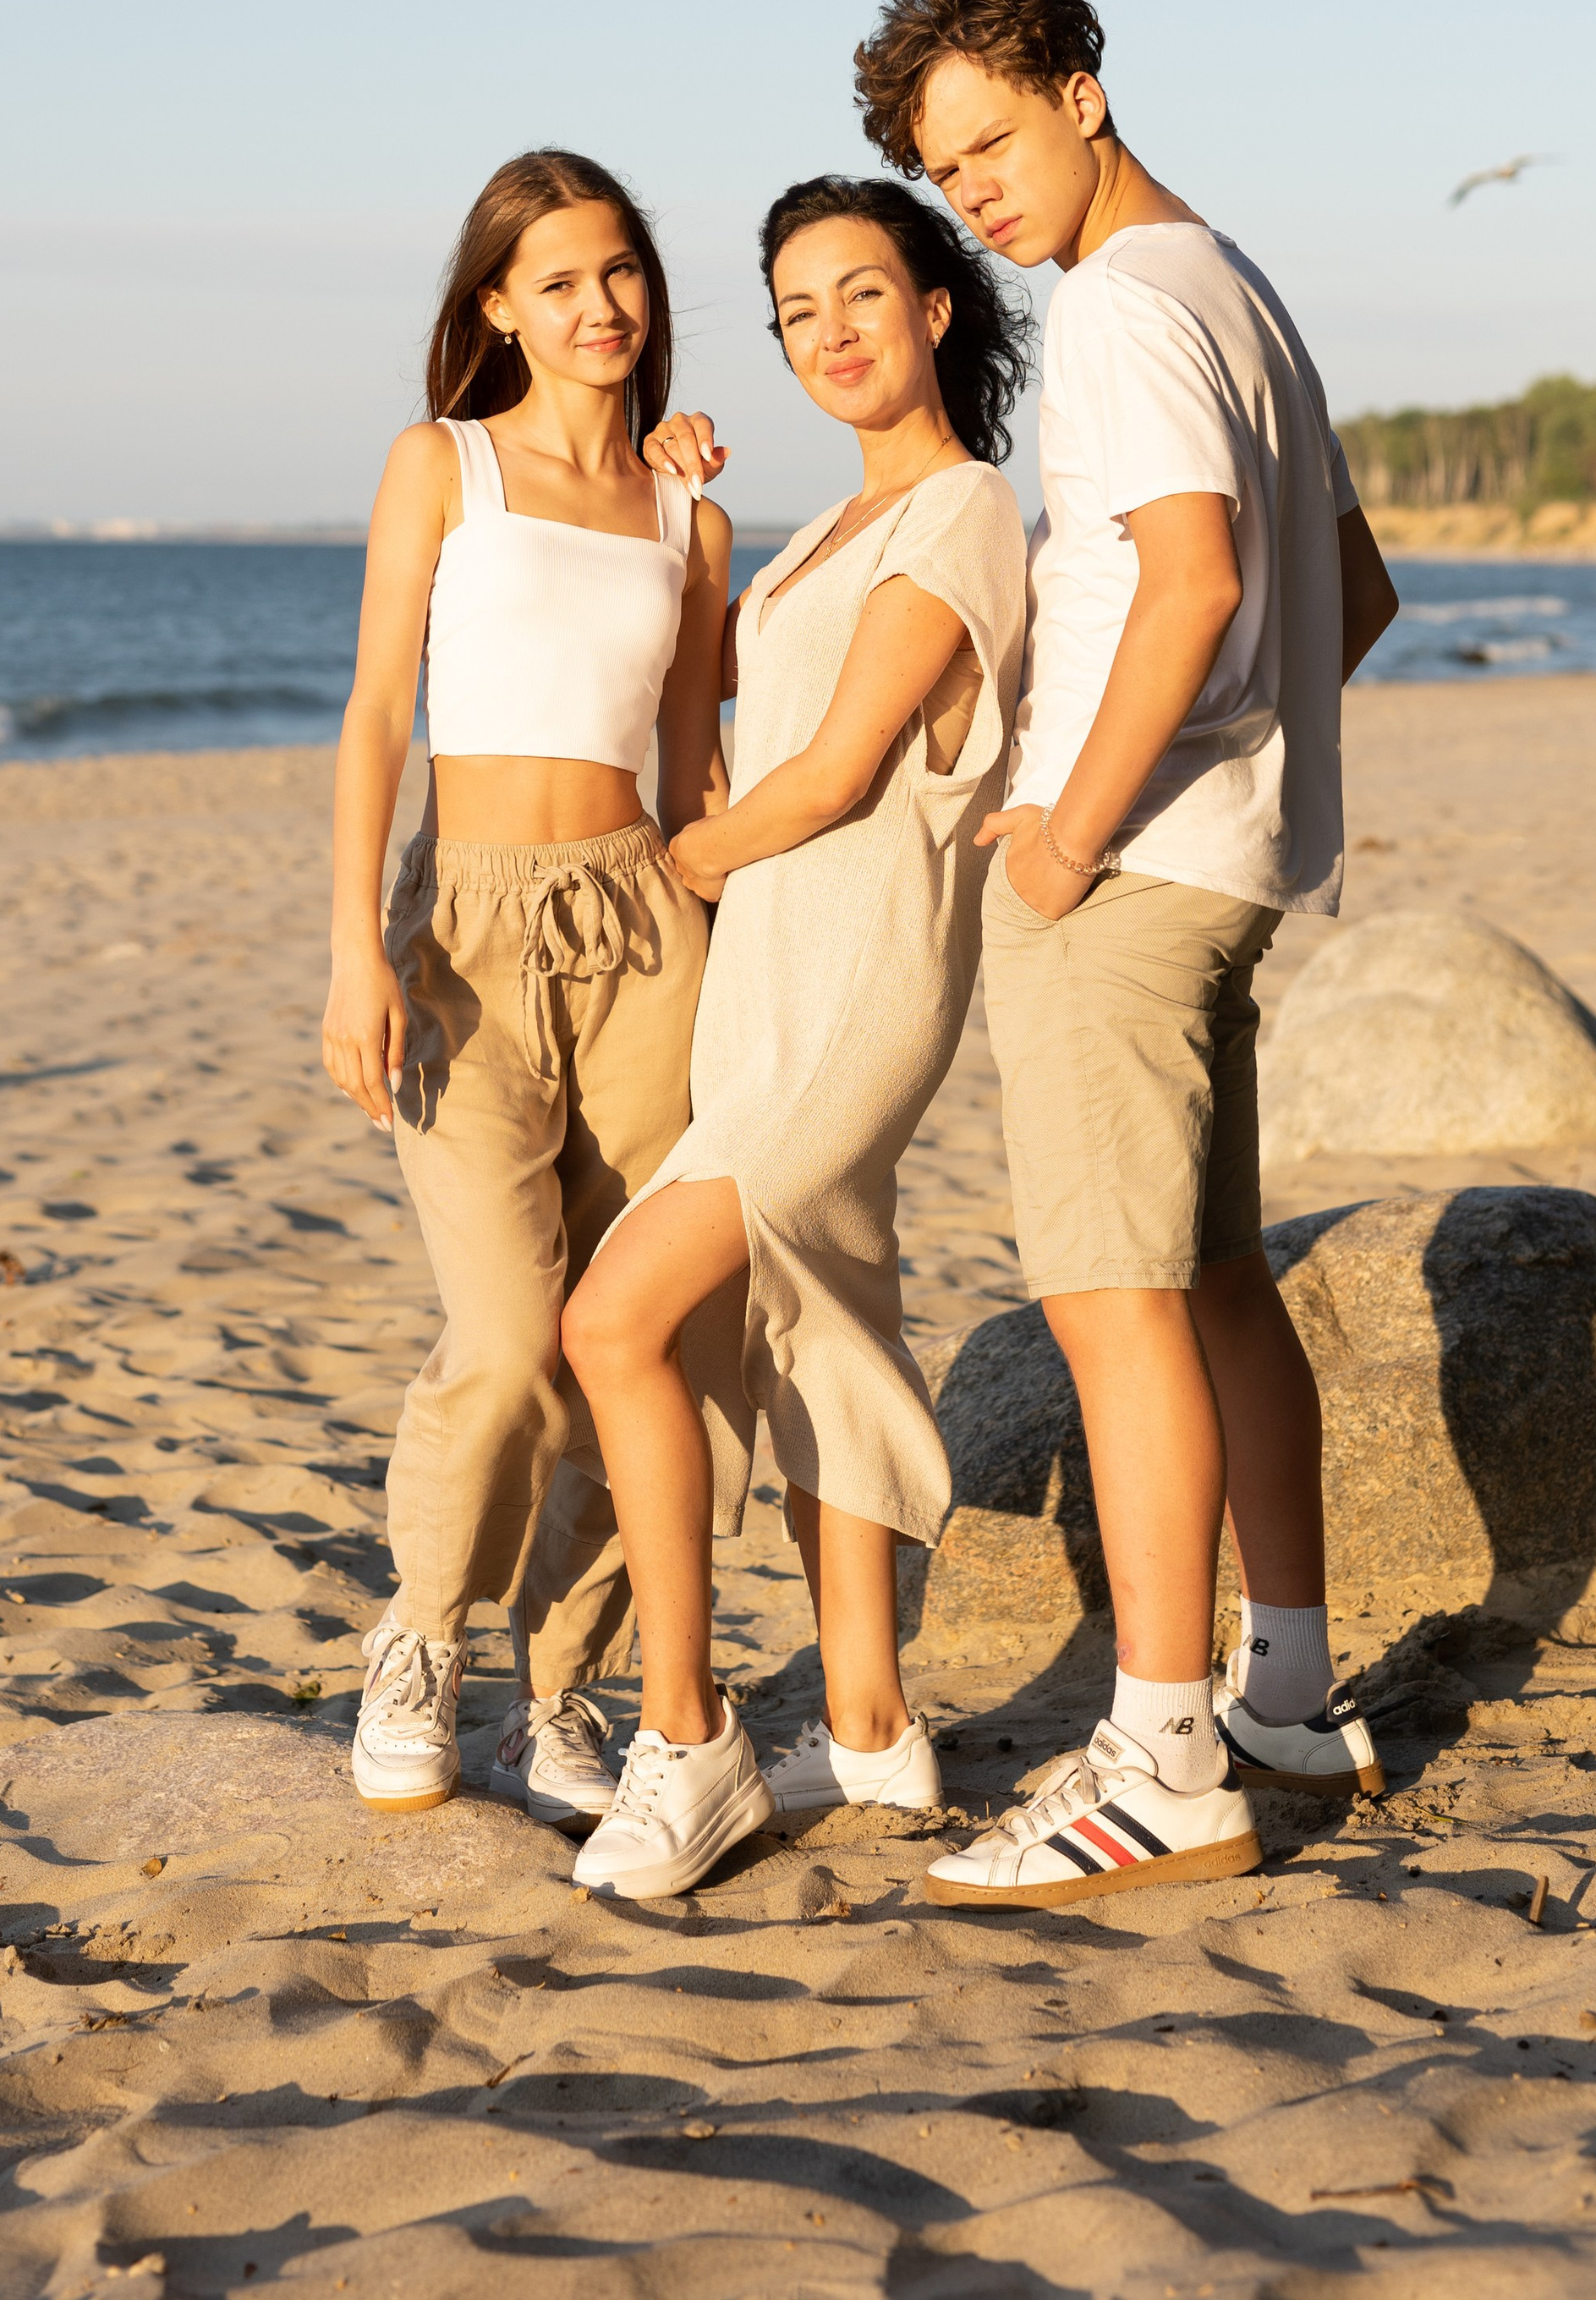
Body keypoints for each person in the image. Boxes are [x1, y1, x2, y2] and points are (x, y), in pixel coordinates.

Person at [834, 0, 1401, 1908]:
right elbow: (1358, 593)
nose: (972, 193)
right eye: (939, 164)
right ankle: (1282, 1694)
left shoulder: (1120, 309)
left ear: (1082, 88)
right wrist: (1238, 766)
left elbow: (1191, 578)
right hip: (1220, 864)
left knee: (1114, 1302)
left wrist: (1071, 832)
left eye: (988, 140)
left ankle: (1158, 1754)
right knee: (1215, 1278)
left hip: (1134, 880)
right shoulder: (1236, 287)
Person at [557, 176, 1031, 1901]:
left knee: (613, 1316)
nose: (827, 336)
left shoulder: (967, 510)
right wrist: (690, 534)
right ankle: (869, 1718)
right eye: (793, 315)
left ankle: (686, 1746)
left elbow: (828, 774)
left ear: (936, 310)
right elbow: (722, 734)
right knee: (821, 1324)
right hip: (762, 979)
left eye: (859, 297)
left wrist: (675, 862)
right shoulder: (829, 533)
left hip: (854, 986)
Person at [322, 151, 732, 1824]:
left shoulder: (686, 507)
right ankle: (421, 1636)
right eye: (557, 280)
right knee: (499, 1338)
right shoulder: (441, 465)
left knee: (634, 1346)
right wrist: (355, 943)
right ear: (496, 304)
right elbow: (371, 715)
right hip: (465, 935)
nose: (599, 306)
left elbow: (696, 762)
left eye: (619, 270)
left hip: (648, 931)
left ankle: (558, 1700)